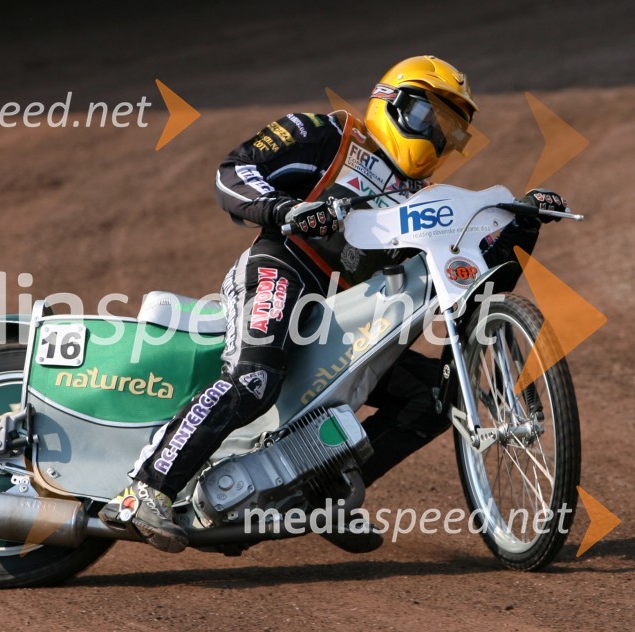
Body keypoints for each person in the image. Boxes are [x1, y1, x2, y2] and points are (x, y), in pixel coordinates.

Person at [99, 55, 569, 553]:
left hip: (335, 314)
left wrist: (521, 223)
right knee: (253, 379)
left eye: (450, 132)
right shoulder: (326, 134)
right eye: (430, 119)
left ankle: (321, 496)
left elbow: (471, 287)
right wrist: (289, 209)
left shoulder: (422, 200)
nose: (436, 138)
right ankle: (144, 491)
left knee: (435, 396)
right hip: (280, 266)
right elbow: (232, 172)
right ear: (395, 105)